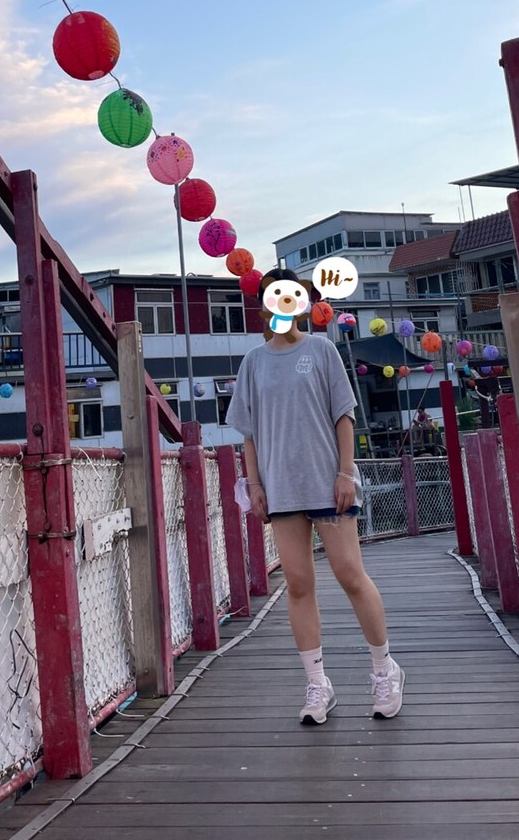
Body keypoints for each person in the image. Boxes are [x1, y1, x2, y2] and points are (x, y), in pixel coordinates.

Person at [227, 267, 404, 726]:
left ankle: (384, 670)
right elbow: (249, 434)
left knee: (349, 573)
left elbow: (344, 415)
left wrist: (345, 473)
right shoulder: (253, 363)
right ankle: (317, 684)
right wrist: (254, 485)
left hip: (327, 483)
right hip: (281, 488)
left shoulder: (321, 350)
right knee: (299, 584)